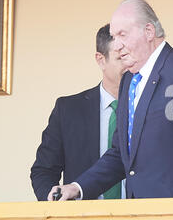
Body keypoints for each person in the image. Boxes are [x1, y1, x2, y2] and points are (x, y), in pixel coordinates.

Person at [47, 0, 173, 200]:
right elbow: (121, 154)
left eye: (122, 34)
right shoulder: (129, 80)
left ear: (148, 32)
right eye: (113, 36)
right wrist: (77, 187)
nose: (116, 45)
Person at [30, 24, 126, 201]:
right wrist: (55, 206)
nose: (129, 65)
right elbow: (44, 170)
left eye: (132, 58)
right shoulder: (68, 110)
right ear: (100, 60)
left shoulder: (147, 109)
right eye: (121, 58)